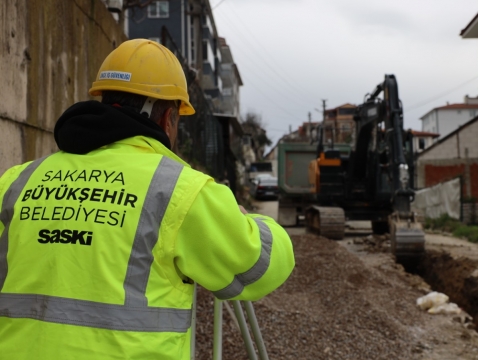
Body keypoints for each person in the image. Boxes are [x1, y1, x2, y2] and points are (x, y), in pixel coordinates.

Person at [0, 39, 295, 359]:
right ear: (169, 117)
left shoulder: (17, 181)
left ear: (102, 100)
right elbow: (258, 266)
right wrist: (256, 222)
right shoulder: (179, 190)